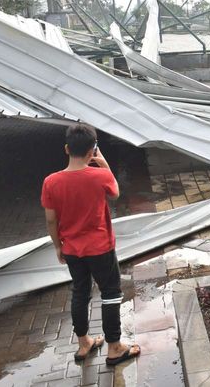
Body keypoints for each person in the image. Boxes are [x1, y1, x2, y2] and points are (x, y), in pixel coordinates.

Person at [41, 124, 140, 366]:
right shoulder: (100, 176)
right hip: (100, 247)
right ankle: (114, 347)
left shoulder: (51, 182)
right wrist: (103, 163)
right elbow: (115, 193)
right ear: (92, 151)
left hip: (72, 249)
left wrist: (57, 246)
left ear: (66, 149)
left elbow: (51, 219)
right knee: (110, 292)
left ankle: (84, 342)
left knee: (80, 292)